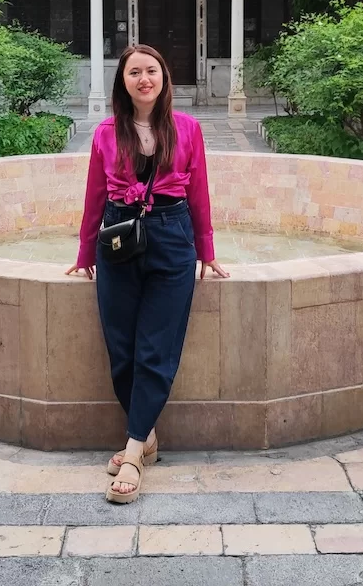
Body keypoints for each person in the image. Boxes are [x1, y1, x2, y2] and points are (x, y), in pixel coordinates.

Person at [66, 44, 228, 504]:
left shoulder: (188, 128)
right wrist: (85, 251)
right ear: (123, 81)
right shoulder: (105, 132)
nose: (144, 79)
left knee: (156, 348)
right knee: (122, 349)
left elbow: (199, 192)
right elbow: (95, 194)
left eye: (151, 71)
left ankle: (134, 453)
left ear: (163, 78)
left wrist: (206, 249)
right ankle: (147, 435)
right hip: (118, 238)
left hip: (172, 237)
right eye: (134, 72)